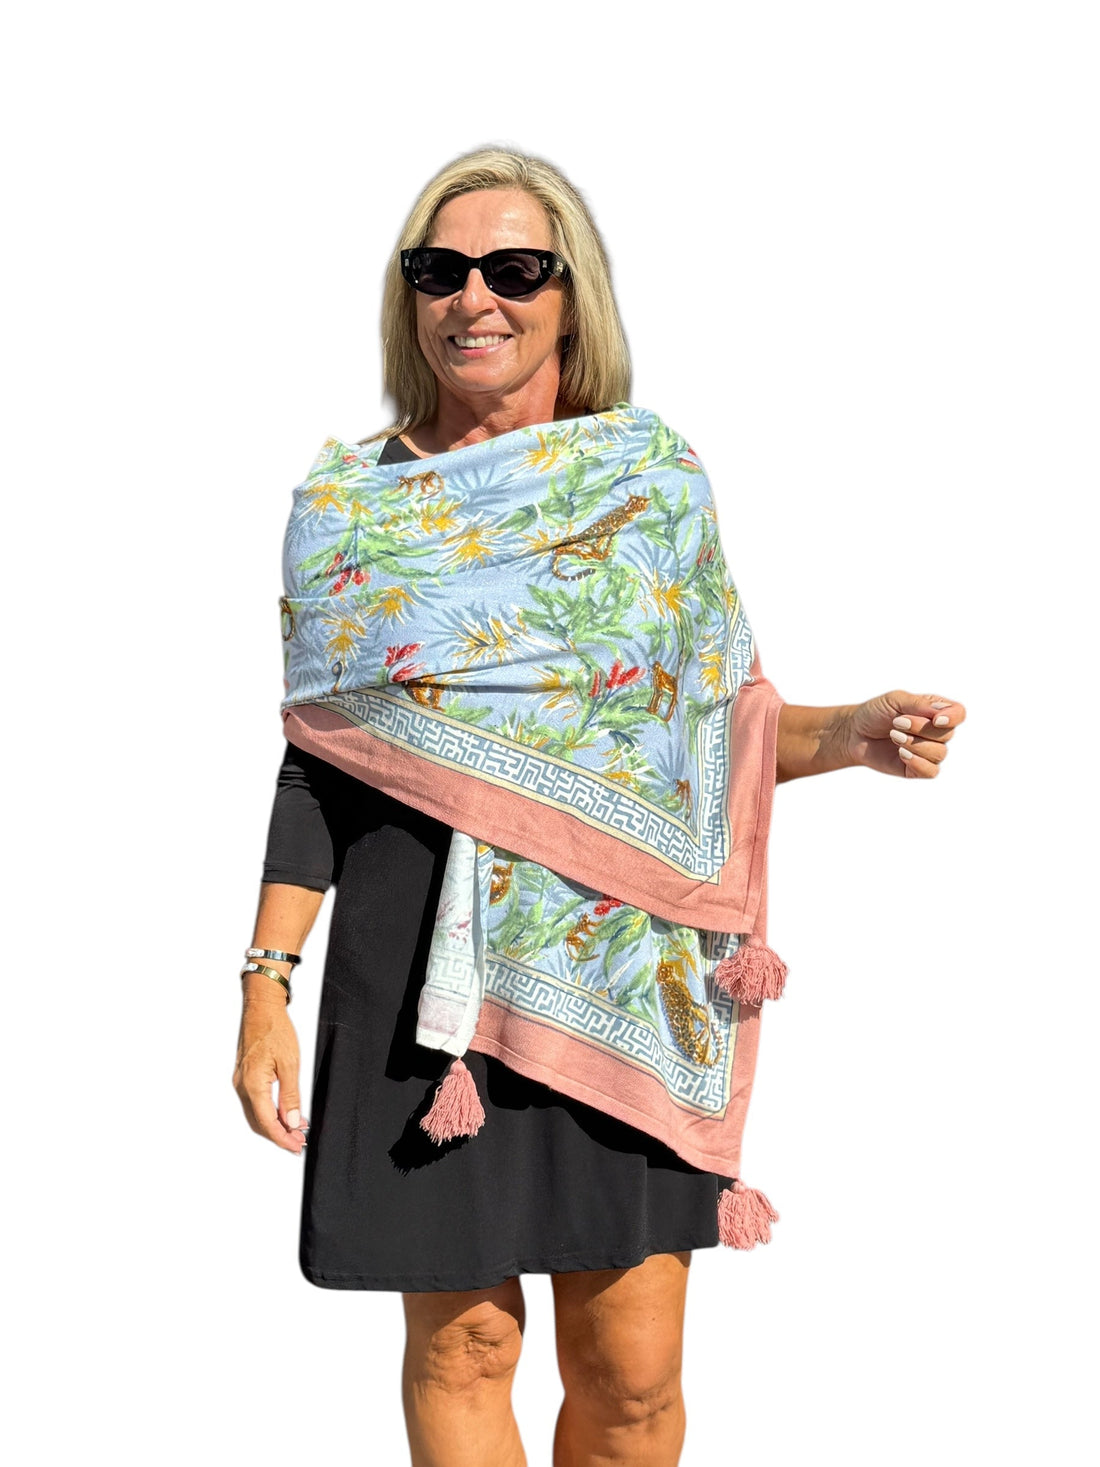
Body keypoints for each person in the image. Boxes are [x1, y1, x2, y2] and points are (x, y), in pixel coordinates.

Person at [233, 146, 966, 1467]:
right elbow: (325, 760)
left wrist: (848, 734)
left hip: (617, 964)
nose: (476, 299)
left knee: (633, 1371)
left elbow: (708, 729)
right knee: (464, 1347)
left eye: (515, 269)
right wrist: (265, 983)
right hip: (422, 978)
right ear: (410, 296)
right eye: (440, 271)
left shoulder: (646, 484)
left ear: (573, 298)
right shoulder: (348, 509)